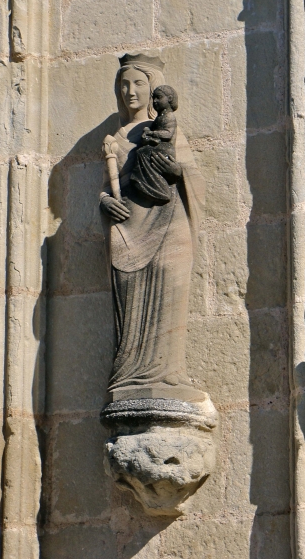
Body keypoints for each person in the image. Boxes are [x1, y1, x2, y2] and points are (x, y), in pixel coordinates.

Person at [99, 53, 206, 404]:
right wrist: (105, 202)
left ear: (154, 90)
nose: (131, 91)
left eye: (139, 84)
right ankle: (131, 376)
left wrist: (168, 166)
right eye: (124, 85)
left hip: (169, 222)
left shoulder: (167, 130)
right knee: (130, 308)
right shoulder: (116, 138)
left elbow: (190, 178)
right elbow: (110, 184)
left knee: (169, 293)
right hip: (129, 229)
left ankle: (168, 373)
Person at [130, 84, 179, 204]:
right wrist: (147, 134)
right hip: (159, 147)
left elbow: (168, 134)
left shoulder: (169, 117)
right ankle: (146, 182)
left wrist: (153, 133)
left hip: (166, 149)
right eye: (153, 98)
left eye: (159, 97)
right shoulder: (159, 118)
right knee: (142, 151)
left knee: (143, 152)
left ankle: (157, 188)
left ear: (170, 99)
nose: (155, 101)